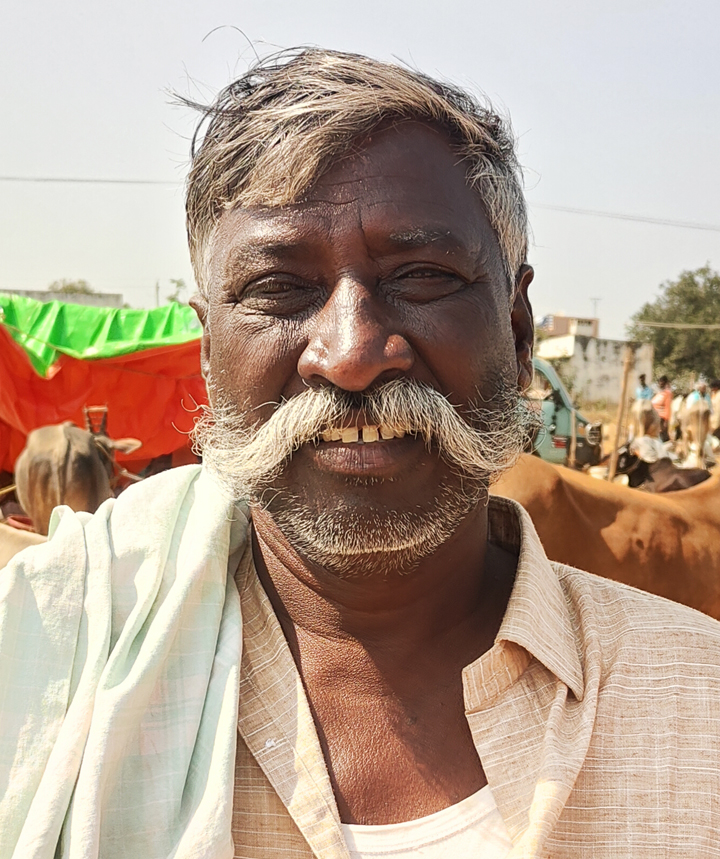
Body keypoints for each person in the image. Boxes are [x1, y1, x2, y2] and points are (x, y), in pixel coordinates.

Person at [3, 49, 720, 859]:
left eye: (420, 277)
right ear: (208, 354)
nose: (351, 353)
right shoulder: (42, 645)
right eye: (280, 288)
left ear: (518, 333)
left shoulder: (699, 707)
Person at [651, 374, 673, 441]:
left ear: (665, 383)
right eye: (659, 381)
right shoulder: (660, 393)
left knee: (662, 436)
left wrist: (666, 421)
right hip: (655, 418)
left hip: (661, 419)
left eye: (662, 382)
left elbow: (667, 407)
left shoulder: (667, 394)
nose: (660, 383)